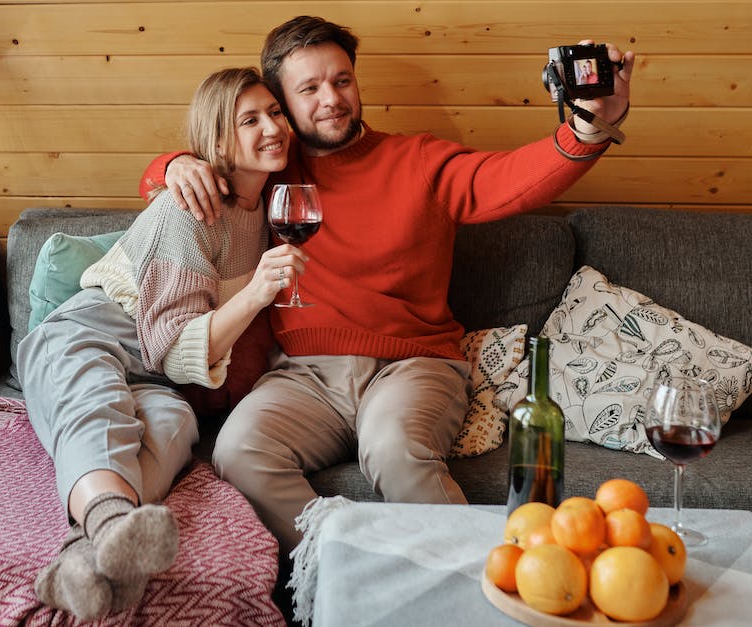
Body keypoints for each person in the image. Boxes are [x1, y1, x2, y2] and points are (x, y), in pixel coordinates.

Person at [140, 16, 634, 558]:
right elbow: (189, 177)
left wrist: (587, 129)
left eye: (342, 80)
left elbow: (511, 179)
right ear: (282, 104)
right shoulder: (272, 166)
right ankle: (341, 570)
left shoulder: (417, 160)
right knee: (237, 451)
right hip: (306, 375)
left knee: (394, 450)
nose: (331, 99)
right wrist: (173, 166)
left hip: (413, 365)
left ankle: (485, 582)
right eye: (308, 89)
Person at [17, 67, 304, 620]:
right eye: (251, 119)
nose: (273, 126)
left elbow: (177, 361)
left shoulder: (269, 208)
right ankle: (105, 529)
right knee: (96, 405)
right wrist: (258, 294)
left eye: (275, 112)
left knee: (174, 430)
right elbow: (176, 346)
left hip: (158, 372)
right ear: (218, 142)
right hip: (94, 332)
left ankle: (84, 553)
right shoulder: (190, 208)